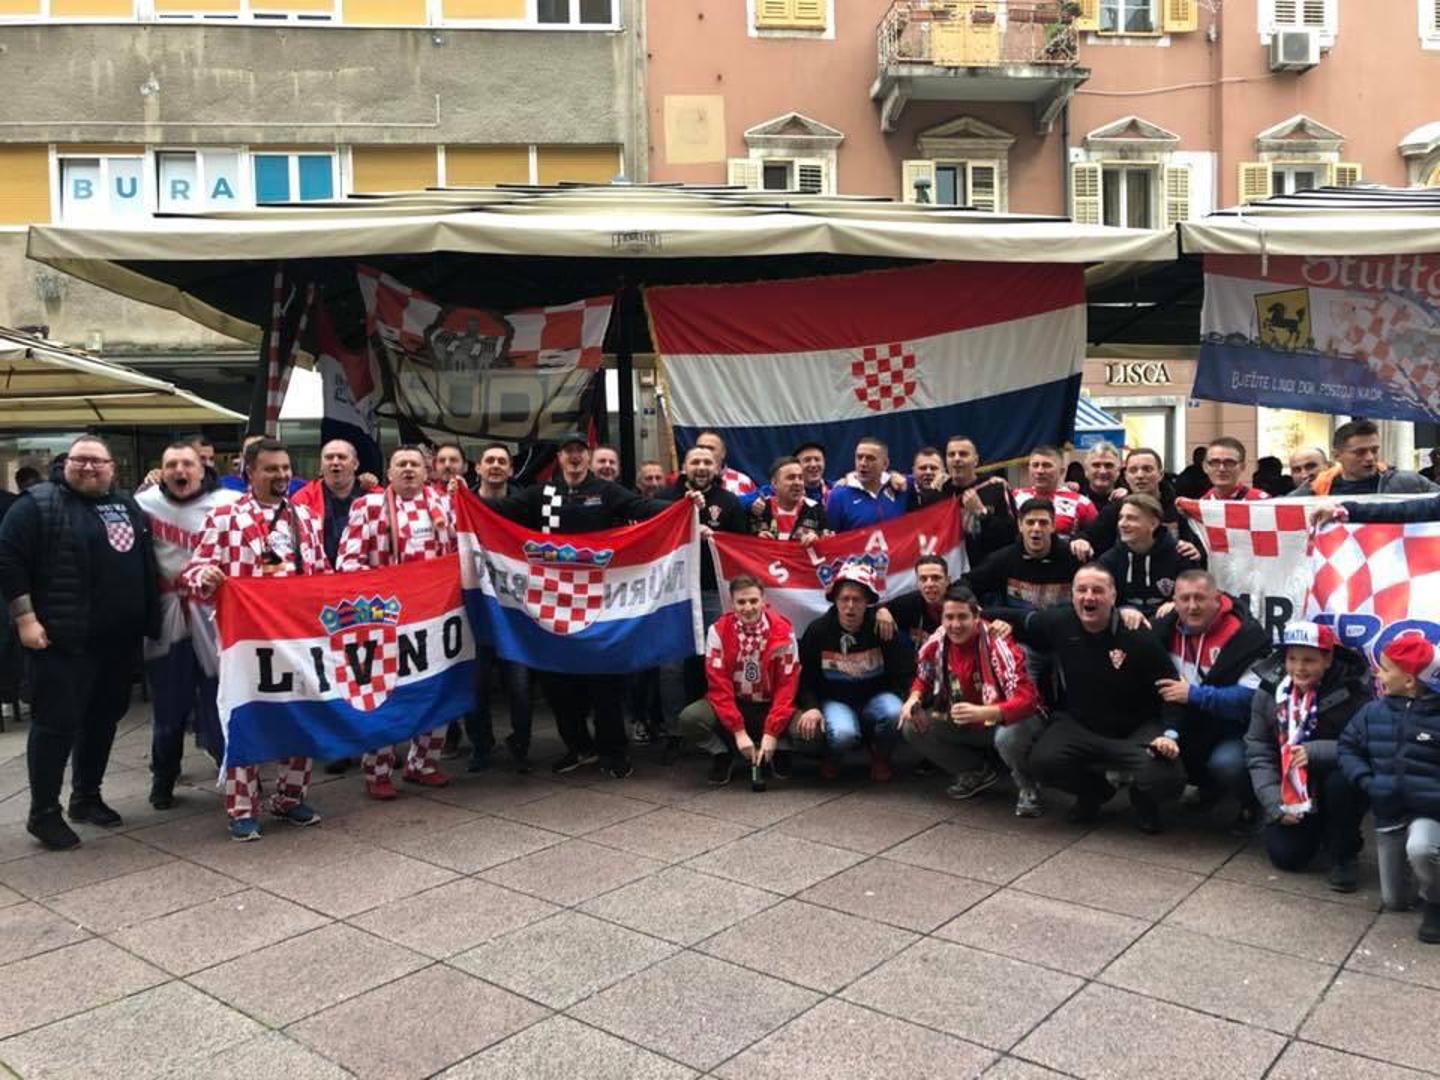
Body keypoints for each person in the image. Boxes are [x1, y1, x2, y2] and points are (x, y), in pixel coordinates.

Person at [486, 432, 688, 778]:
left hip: (599, 603)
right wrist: (461, 498)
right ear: (560, 458)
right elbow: (500, 510)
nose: (575, 457)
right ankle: (578, 746)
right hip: (552, 604)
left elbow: (641, 508)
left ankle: (614, 752)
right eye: (568, 451)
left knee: (604, 681)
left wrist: (683, 507)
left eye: (580, 451)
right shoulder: (541, 493)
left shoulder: (606, 491)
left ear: (588, 455)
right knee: (557, 682)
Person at [0, 436, 160, 850]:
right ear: (65, 463)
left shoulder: (124, 504)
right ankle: (43, 813)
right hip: (61, 640)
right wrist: (25, 619)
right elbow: (8, 561)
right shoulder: (37, 505)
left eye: (97, 461)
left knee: (103, 720)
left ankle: (86, 797)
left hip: (117, 642)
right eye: (81, 460)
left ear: (112, 467)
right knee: (55, 725)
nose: (89, 467)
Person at [181, 437, 328, 841]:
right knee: (246, 719)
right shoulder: (225, 517)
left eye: (285, 468)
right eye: (271, 468)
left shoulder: (304, 517)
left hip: (298, 638)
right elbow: (192, 571)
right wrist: (205, 576)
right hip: (246, 641)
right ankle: (243, 808)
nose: (281, 475)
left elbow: (322, 572)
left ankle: (290, 797)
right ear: (249, 472)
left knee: (301, 713)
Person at [990, 564, 1187, 833]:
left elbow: (1172, 689)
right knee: (1043, 763)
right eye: (1081, 590)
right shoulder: (1060, 622)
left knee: (1167, 777)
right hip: (1080, 725)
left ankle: (1144, 802)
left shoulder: (1138, 635)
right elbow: (1018, 618)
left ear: (1113, 596)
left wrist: (1171, 734)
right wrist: (977, 614)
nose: (1089, 597)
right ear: (1072, 595)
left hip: (1136, 728)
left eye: (1098, 590)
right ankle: (1094, 794)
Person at [336, 446, 458, 799]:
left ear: (426, 472)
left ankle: (424, 763)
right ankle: (377, 771)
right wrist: (385, 588)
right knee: (383, 693)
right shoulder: (368, 506)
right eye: (401, 464)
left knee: (435, 687)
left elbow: (460, 552)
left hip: (434, 615)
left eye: (414, 465)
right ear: (389, 473)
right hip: (385, 616)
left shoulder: (445, 505)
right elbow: (347, 561)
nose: (408, 470)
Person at [135, 440, 239, 810]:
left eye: (187, 464)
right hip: (168, 615)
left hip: (214, 615)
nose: (180, 471)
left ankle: (233, 773)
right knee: (169, 704)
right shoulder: (144, 504)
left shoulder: (229, 503)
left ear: (202, 468)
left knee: (221, 697)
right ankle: (163, 775)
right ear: (161, 471)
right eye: (172, 464)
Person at [1245, 622, 1372, 891]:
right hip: (1289, 783)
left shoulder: (1354, 690)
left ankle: (1344, 852)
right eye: (1292, 659)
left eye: (1309, 660)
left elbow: (1367, 747)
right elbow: (1258, 748)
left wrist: (1316, 751)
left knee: (1342, 782)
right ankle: (1308, 825)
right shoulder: (1269, 690)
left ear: (1328, 659)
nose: (1299, 668)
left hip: (1334, 775)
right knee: (1287, 857)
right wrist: (1274, 803)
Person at [900, 585, 1046, 814]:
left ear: (977, 616)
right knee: (912, 725)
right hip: (970, 718)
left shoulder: (997, 643)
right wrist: (914, 697)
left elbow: (1028, 701)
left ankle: (1029, 787)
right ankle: (976, 772)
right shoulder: (939, 640)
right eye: (949, 617)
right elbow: (923, 675)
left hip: (1014, 719)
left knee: (1008, 738)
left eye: (962, 617)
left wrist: (986, 712)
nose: (955, 625)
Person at [1339, 636, 1440, 942]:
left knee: (1422, 849)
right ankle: (1422, 876)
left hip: (1430, 810)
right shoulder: (1373, 712)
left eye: (1384, 669)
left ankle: (1436, 901)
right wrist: (1366, 781)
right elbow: (1347, 746)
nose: (1377, 674)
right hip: (1388, 811)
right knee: (1395, 901)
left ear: (1409, 681)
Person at [1152, 570, 1268, 829]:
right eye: (1185, 599)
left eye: (1200, 598)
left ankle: (1251, 803)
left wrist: (1194, 695)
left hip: (1234, 729)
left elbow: (1250, 698)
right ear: (1174, 601)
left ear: (1217, 599)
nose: (1192, 606)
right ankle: (1207, 789)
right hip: (1186, 723)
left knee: (1227, 764)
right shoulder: (1164, 629)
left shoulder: (1246, 636)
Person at [678, 575, 801, 787]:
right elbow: (719, 686)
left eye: (753, 601)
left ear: (763, 600)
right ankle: (722, 753)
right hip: (735, 703)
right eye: (741, 602)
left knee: (810, 731)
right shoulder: (717, 631)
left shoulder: (783, 632)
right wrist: (738, 731)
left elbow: (787, 686)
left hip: (769, 704)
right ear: (732, 603)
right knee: (690, 719)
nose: (748, 608)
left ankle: (780, 747)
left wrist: (772, 732)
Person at [794, 565, 913, 781]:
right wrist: (811, 706)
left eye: (857, 600)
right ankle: (833, 756)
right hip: (835, 701)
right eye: (844, 599)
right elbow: (805, 677)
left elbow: (902, 669)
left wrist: (907, 699)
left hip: (876, 698)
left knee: (895, 712)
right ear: (835, 601)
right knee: (843, 734)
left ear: (867, 602)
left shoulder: (882, 626)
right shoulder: (818, 630)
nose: (850, 606)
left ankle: (881, 757)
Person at [666, 444, 749, 706]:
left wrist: (717, 539)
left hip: (713, 592)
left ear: (717, 468)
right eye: (695, 462)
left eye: (707, 462)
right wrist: (689, 530)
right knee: (672, 664)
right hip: (673, 594)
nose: (701, 467)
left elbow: (742, 547)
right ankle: (674, 723)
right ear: (684, 467)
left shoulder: (729, 501)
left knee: (715, 658)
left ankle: (713, 716)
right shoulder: (666, 497)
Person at [965, 497, 1091, 612]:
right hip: (1014, 627)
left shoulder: (1073, 558)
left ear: (1053, 526)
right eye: (1030, 522)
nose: (1036, 528)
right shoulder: (1003, 559)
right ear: (1020, 525)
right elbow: (966, 584)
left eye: (1043, 523)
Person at [1098, 493, 1203, 620]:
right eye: (1121, 518)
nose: (1122, 524)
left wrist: (1177, 604)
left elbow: (1198, 594)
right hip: (1125, 625)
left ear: (1153, 524)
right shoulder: (1108, 561)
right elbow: (1100, 601)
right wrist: (1121, 611)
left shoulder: (1181, 555)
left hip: (1171, 623)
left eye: (1131, 518)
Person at [1086, 448, 1203, 558]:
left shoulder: (1178, 508)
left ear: (1160, 474)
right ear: (1126, 476)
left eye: (1147, 469)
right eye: (1133, 470)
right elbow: (1089, 537)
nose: (1140, 475)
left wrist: (1197, 551)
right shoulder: (1114, 509)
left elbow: (1201, 544)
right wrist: (1081, 541)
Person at [1292, 419, 1440, 498]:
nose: (1370, 458)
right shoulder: (1315, 489)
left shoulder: (1407, 482)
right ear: (1337, 455)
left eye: (1374, 450)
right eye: (1360, 452)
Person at [292, 439, 379, 572]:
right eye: (329, 457)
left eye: (342, 457)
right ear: (321, 465)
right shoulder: (302, 499)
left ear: (355, 464)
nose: (335, 462)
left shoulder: (376, 496)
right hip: (320, 577)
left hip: (366, 576)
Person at [941, 435, 1015, 566]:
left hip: (989, 568)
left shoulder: (995, 488)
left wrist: (981, 512)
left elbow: (1011, 534)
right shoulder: (939, 494)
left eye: (963, 454)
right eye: (951, 455)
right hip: (950, 570)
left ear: (975, 460)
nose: (956, 459)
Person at [1011, 446, 1096, 540]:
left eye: (1047, 465)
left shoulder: (1082, 503)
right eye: (1035, 465)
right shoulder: (1014, 497)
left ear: (1061, 471)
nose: (1040, 471)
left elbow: (1095, 537)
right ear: (1029, 469)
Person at [826, 437, 906, 532]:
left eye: (870, 458)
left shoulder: (900, 486)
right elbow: (831, 537)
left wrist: (894, 474)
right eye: (859, 457)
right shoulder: (838, 496)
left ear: (885, 464)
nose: (863, 463)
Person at [876, 554, 951, 650]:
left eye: (936, 578)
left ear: (948, 580)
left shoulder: (962, 602)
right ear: (917, 583)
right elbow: (873, 610)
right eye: (923, 579)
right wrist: (882, 610)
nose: (929, 584)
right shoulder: (909, 602)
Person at [751, 456, 827, 542]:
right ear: (774, 483)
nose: (797, 482)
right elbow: (746, 540)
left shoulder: (815, 509)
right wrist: (757, 537)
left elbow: (828, 539)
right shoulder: (760, 508)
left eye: (800, 478)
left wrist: (817, 538)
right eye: (791, 478)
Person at [694, 430, 756, 500]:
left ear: (723, 453)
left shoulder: (743, 481)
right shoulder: (686, 481)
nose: (705, 452)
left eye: (710, 448)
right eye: (700, 448)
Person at [1201, 437, 1268, 501]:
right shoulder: (1202, 504)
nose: (1222, 469)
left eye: (1229, 463)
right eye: (1215, 462)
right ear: (1205, 467)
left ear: (1242, 466)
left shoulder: (1261, 502)